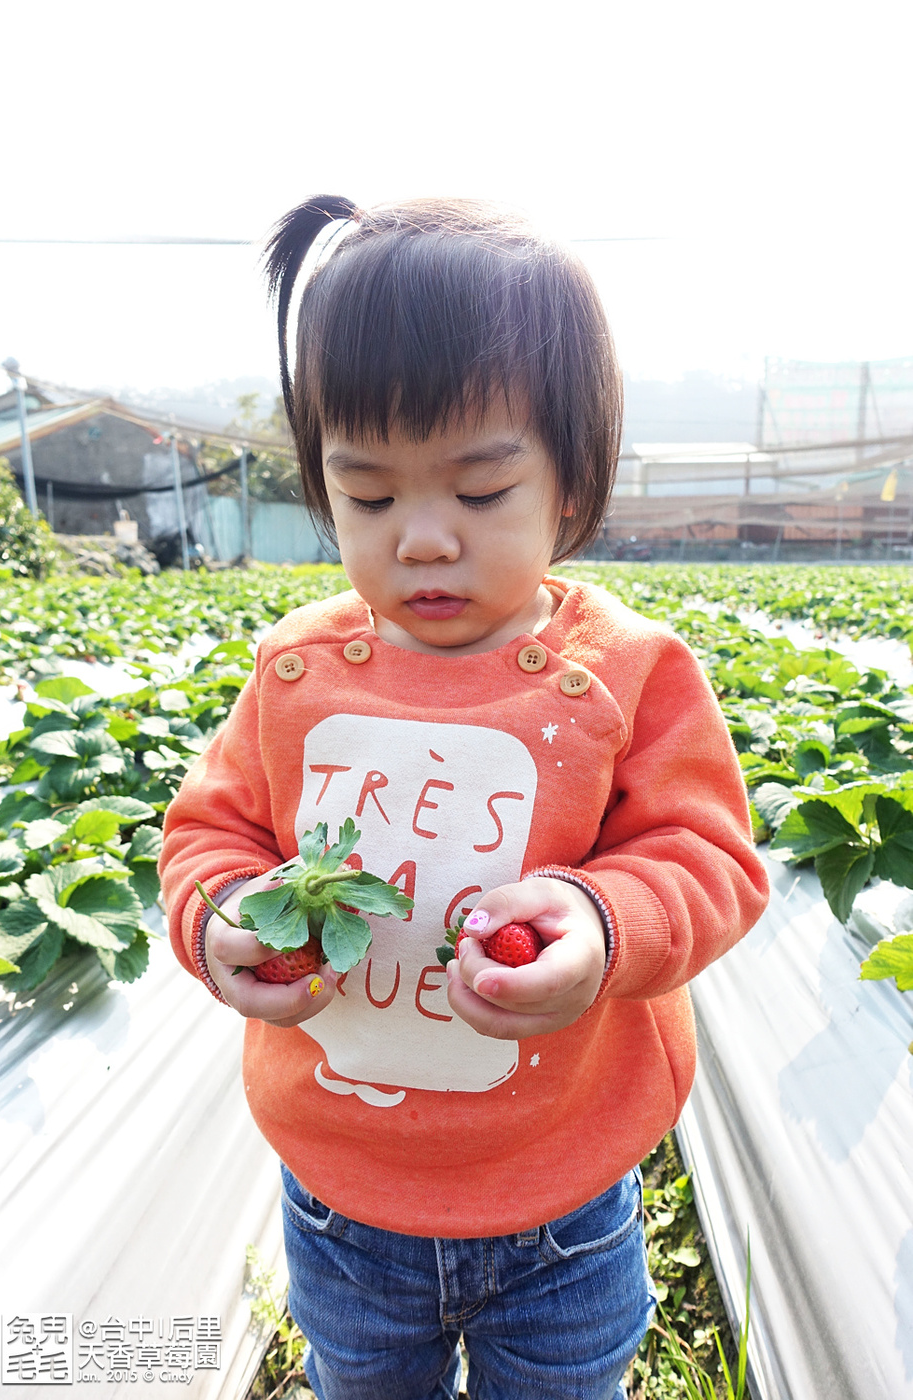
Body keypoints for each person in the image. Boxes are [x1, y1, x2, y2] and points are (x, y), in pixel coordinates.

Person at [159, 194, 769, 1400]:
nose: (423, 539)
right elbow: (207, 832)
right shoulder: (294, 669)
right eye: (370, 496)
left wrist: (600, 924)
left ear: (572, 483)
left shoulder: (629, 674)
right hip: (341, 1195)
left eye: (481, 492)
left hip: (564, 1198)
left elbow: (710, 858)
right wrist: (224, 915)